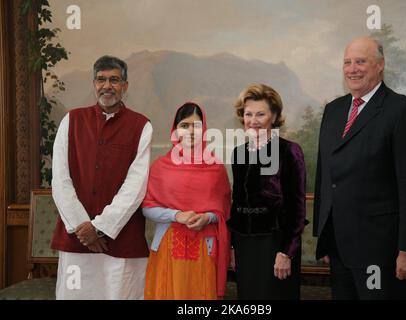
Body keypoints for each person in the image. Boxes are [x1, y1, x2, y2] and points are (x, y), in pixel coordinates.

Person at [313, 37, 406, 300]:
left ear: (380, 65)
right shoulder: (333, 111)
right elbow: (326, 176)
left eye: (360, 61)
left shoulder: (401, 111)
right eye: (347, 62)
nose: (352, 68)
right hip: (339, 249)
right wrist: (322, 235)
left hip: (382, 252)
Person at [51, 55, 153, 299]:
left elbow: (135, 187)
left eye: (114, 80)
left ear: (125, 86)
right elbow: (60, 180)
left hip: (121, 239)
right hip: (77, 239)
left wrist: (100, 228)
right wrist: (83, 228)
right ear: (93, 84)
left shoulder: (141, 126)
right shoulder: (71, 121)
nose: (107, 86)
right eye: (101, 80)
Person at [142, 102, 231, 300]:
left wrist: (208, 217)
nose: (191, 131)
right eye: (184, 125)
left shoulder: (215, 168)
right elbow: (147, 207)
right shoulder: (160, 167)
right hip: (167, 246)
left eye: (196, 126)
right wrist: (176, 215)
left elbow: (224, 211)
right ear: (175, 130)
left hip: (204, 248)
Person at [228, 84, 307, 300]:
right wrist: (232, 246)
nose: (253, 120)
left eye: (260, 114)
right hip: (245, 245)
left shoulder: (290, 151)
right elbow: (237, 202)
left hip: (276, 245)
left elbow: (297, 208)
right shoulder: (238, 153)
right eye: (248, 114)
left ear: (273, 116)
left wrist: (286, 252)